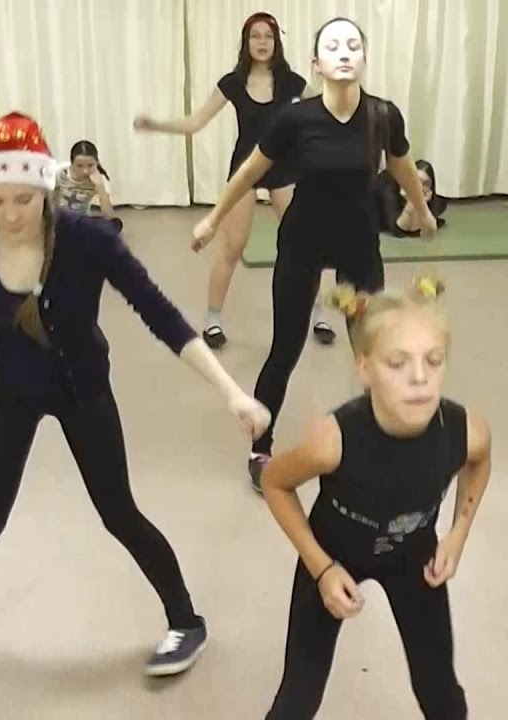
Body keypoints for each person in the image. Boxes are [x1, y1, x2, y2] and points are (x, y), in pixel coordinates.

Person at [0, 111, 272, 690]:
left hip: (83, 388)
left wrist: (233, 394)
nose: (9, 214)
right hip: (10, 392)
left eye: (23, 199)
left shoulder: (89, 241)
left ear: (44, 186)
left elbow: (162, 316)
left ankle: (185, 622)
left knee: (119, 511)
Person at [192, 16, 438, 492]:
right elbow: (249, 172)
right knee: (286, 347)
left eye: (353, 46)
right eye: (333, 46)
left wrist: (423, 213)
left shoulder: (383, 116)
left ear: (364, 59)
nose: (344, 53)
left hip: (358, 246)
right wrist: (213, 219)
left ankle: (380, 442)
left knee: (371, 347)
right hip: (302, 243)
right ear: (315, 63)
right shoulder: (296, 118)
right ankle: (260, 446)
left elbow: (403, 167)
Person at [260, 278, 490, 719]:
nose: (420, 377)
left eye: (434, 360)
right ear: (364, 368)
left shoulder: (464, 431)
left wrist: (458, 533)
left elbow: (480, 462)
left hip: (413, 559)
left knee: (440, 690)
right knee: (298, 698)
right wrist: (322, 568)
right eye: (398, 363)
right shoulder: (332, 439)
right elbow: (274, 483)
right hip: (332, 554)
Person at [135, 12, 334, 348]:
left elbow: (324, 113)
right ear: (246, 42)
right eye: (255, 36)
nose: (262, 42)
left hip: (286, 167)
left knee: (304, 245)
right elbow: (195, 122)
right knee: (232, 246)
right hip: (246, 168)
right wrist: (156, 125)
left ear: (276, 42)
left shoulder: (293, 82)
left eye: (268, 36)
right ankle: (213, 319)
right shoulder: (233, 82)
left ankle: (318, 313)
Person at [53, 140, 122, 232]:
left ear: (97, 163)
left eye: (90, 165)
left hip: (81, 220)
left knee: (110, 226)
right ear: (72, 164)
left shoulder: (100, 179)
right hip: (58, 219)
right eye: (79, 166)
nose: (85, 171)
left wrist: (100, 187)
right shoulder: (60, 173)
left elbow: (109, 215)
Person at [375, 159, 448, 238]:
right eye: (416, 181)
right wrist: (413, 201)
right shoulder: (388, 187)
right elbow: (398, 231)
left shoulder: (438, 202)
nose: (420, 187)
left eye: (425, 184)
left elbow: (417, 229)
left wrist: (419, 205)